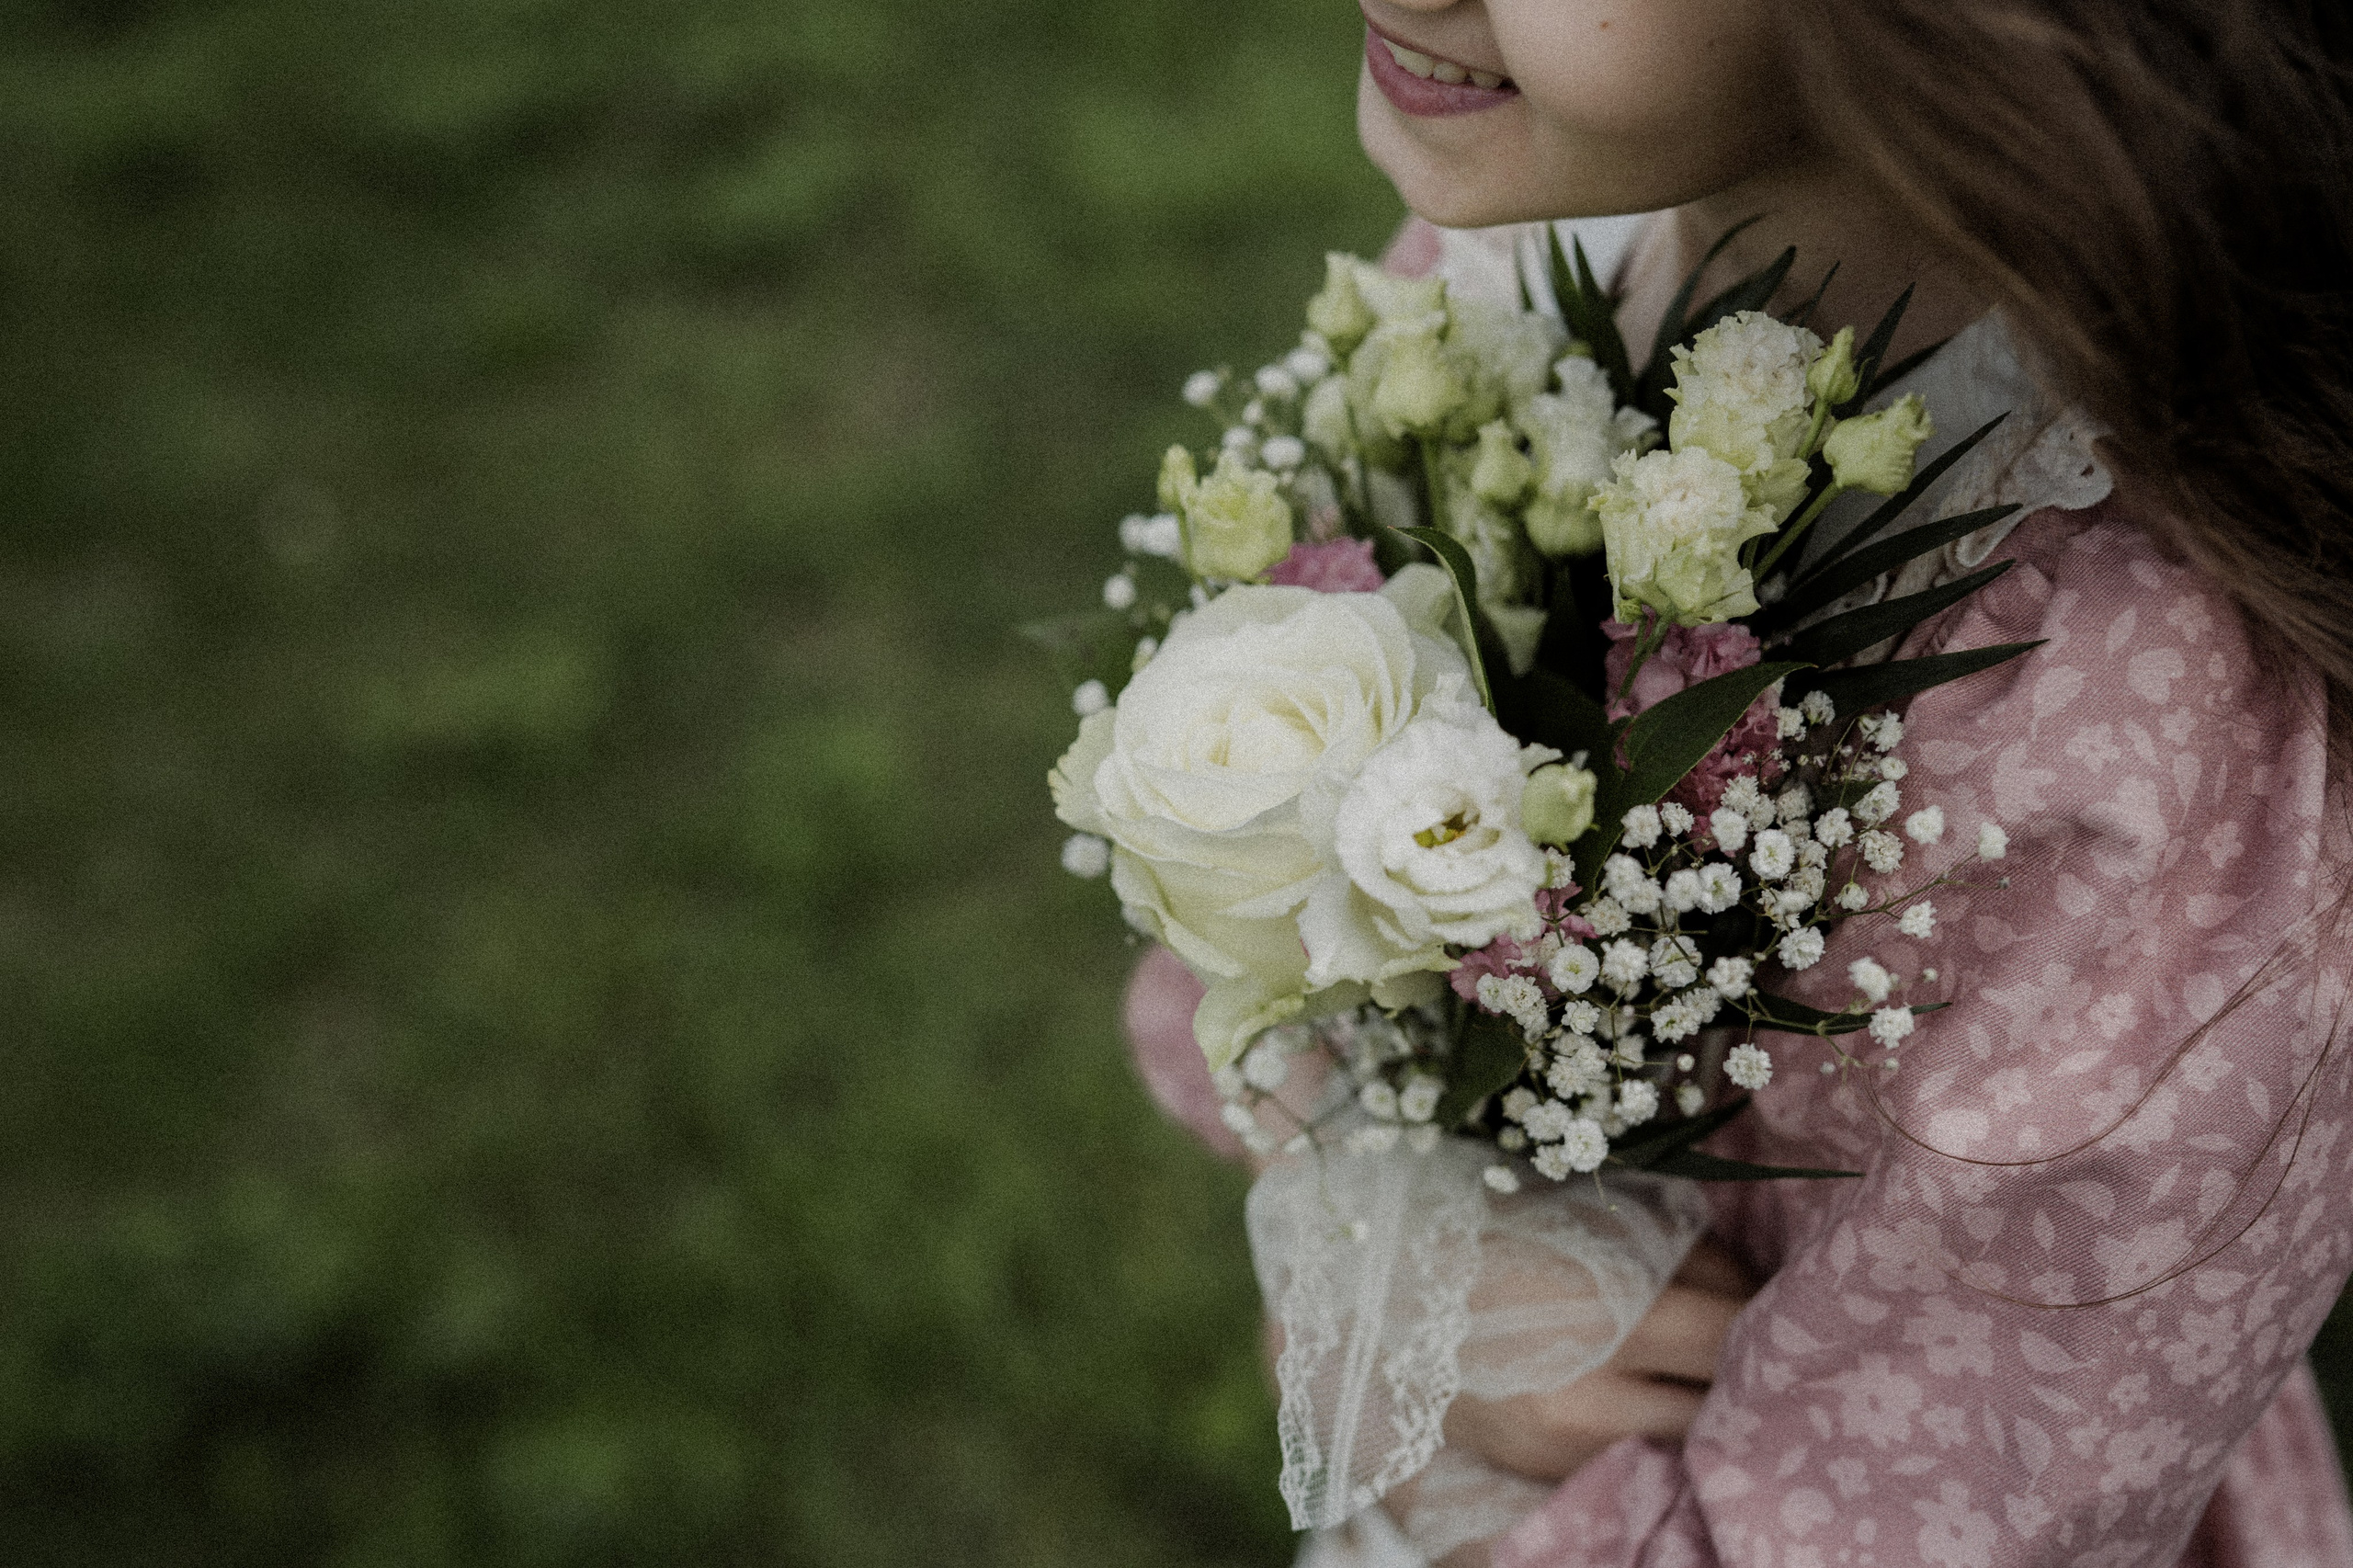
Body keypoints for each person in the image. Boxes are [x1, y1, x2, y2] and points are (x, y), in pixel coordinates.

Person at [1125, 1, 2353, 1564]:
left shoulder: (2150, 769)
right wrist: (1397, 1264)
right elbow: (1287, 959)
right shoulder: (1534, 257)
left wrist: (1424, 1407)